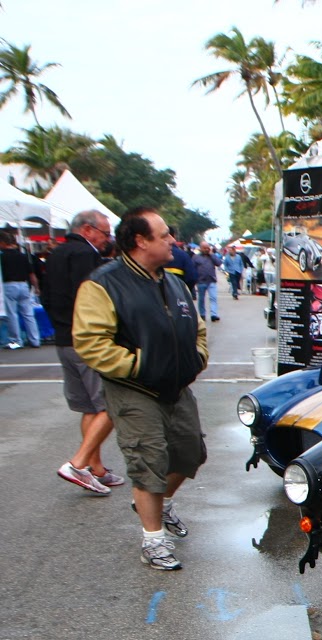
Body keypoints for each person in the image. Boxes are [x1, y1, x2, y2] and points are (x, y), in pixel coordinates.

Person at [73, 208, 208, 571]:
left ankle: (157, 503)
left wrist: (196, 358)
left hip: (177, 387)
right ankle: (153, 540)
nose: (172, 241)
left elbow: (197, 328)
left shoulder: (173, 281)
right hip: (135, 389)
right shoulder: (103, 284)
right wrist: (142, 365)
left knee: (190, 454)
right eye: (164, 235)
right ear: (140, 241)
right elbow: (90, 343)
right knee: (148, 462)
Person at [43, 209, 121, 495]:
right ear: (88, 230)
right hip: (86, 339)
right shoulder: (86, 256)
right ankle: (79, 463)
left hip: (63, 338)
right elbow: (93, 298)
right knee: (110, 404)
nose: (106, 239)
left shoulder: (54, 254)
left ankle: (95, 469)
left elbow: (45, 296)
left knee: (89, 406)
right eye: (104, 232)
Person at [1, 229, 42, 349]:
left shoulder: (2, 257)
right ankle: (35, 340)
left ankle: (16, 341)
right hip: (24, 285)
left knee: (12, 314)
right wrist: (36, 287)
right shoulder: (23, 256)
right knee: (28, 314)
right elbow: (32, 274)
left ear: (3, 242)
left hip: (9, 285)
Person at [194, 241, 222, 322]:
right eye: (204, 248)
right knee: (201, 299)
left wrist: (212, 254)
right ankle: (202, 314)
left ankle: (214, 314)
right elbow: (193, 268)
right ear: (200, 248)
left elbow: (219, 263)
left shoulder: (212, 256)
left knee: (213, 298)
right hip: (201, 281)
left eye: (207, 248)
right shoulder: (196, 257)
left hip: (211, 280)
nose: (206, 249)